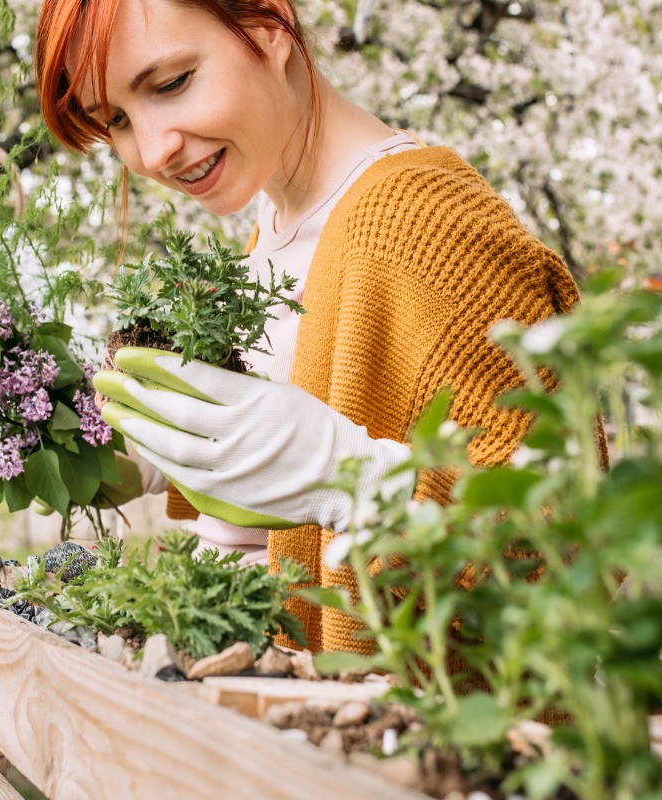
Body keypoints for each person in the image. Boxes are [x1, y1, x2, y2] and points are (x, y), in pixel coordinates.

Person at [36, 0, 582, 653]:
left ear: (268, 27)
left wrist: (353, 478)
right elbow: (269, 504)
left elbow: (555, 545)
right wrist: (155, 458)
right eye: (117, 119)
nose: (152, 152)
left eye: (173, 83)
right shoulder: (270, 229)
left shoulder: (421, 222)